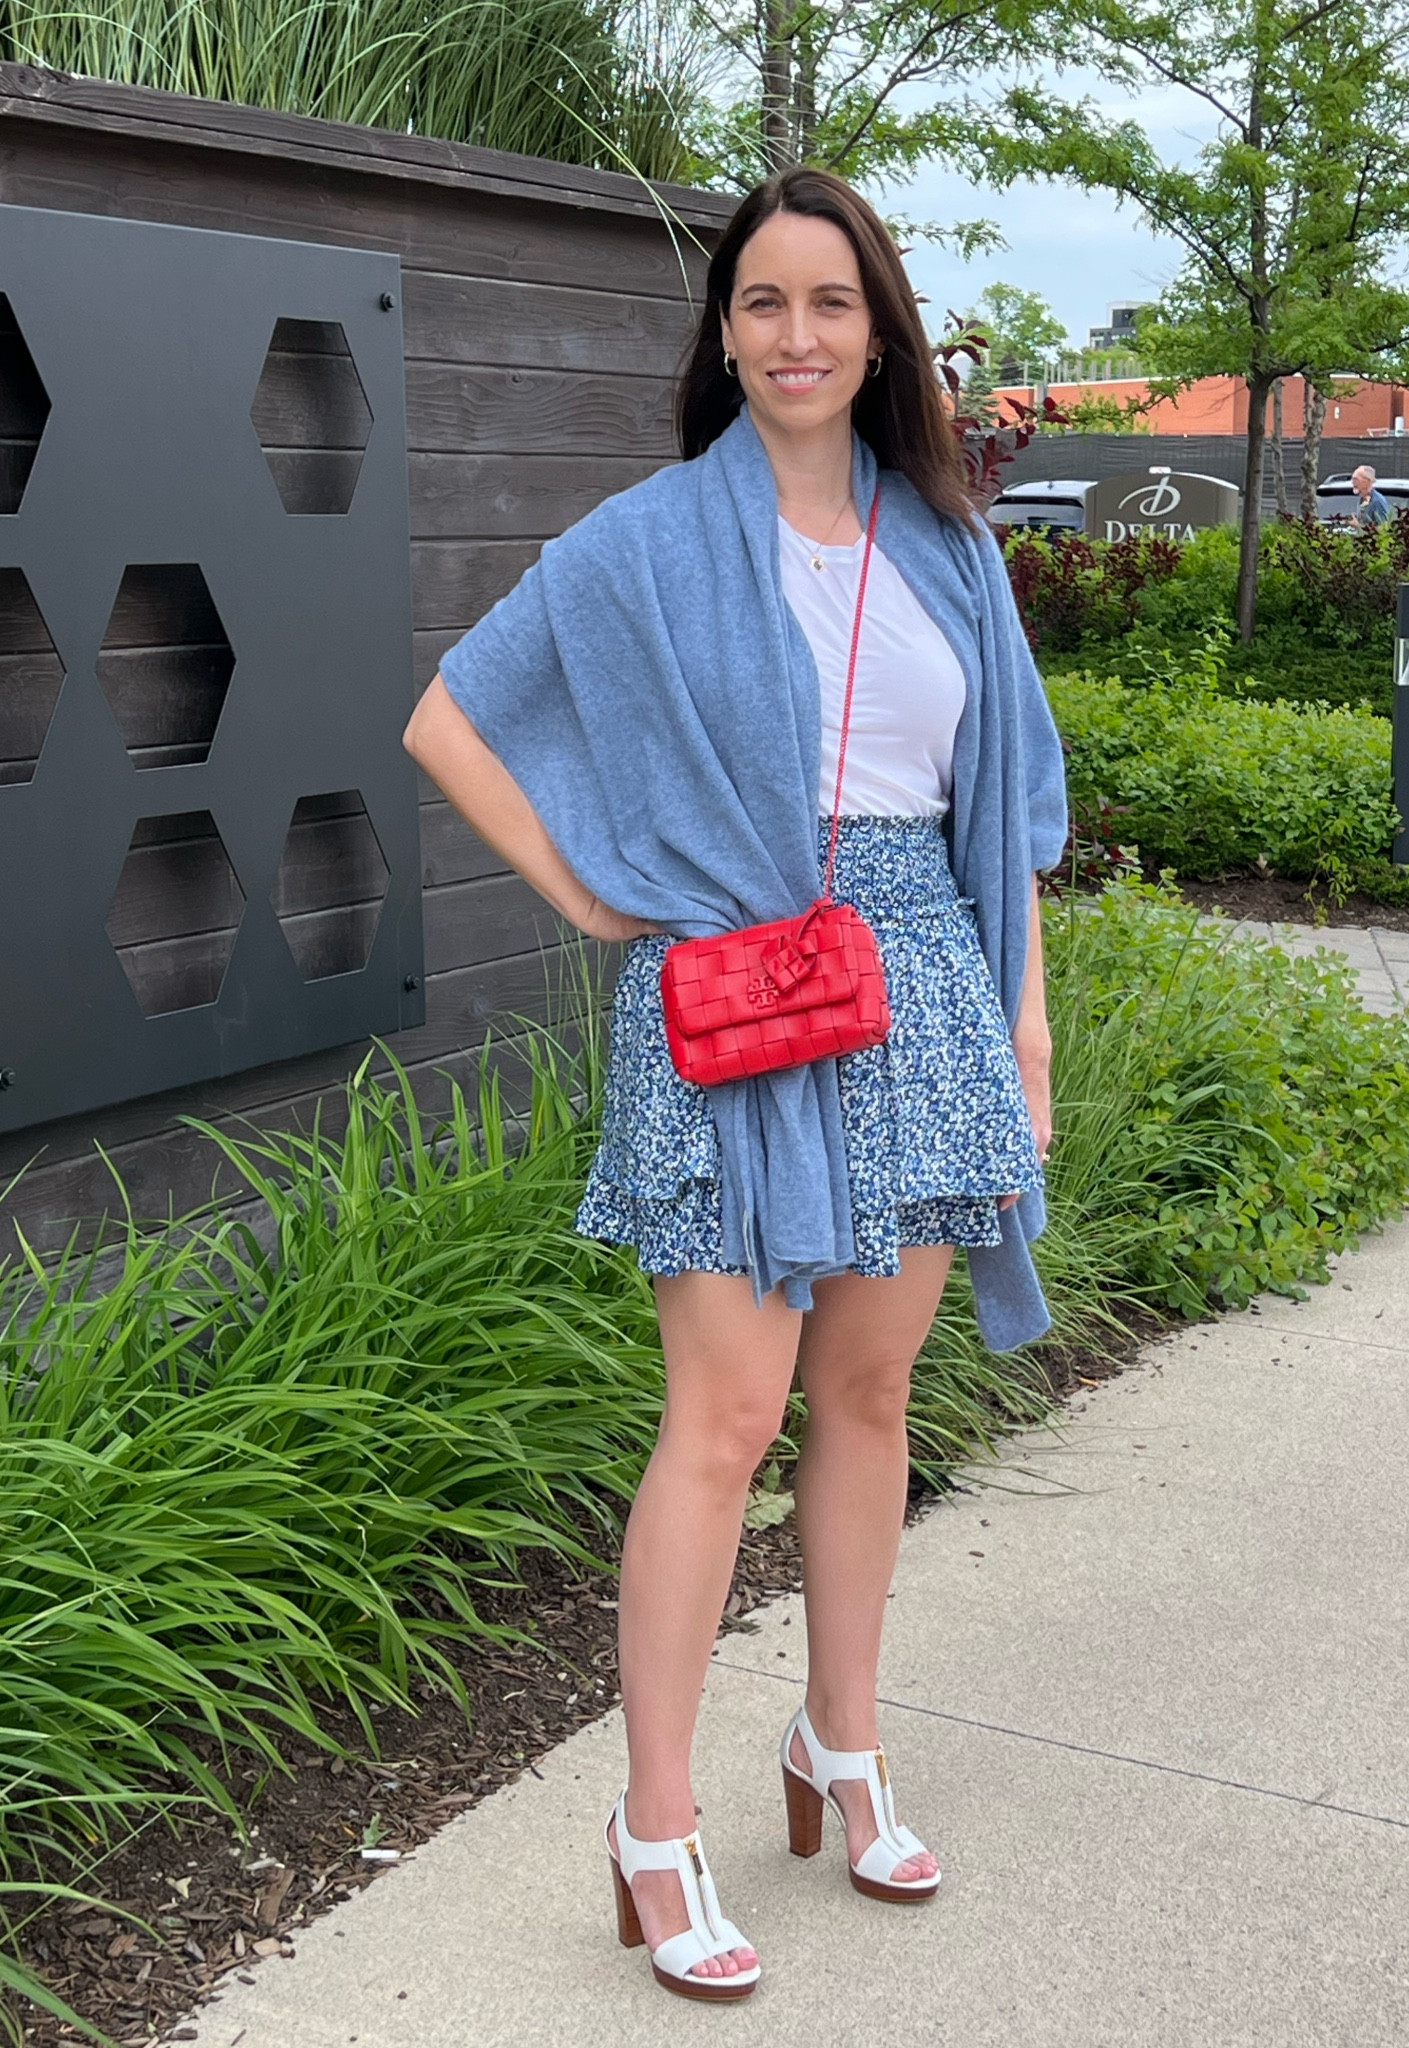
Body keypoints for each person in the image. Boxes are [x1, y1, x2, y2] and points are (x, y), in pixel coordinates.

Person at [402, 166, 1066, 2002]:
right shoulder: (650, 540)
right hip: (734, 1005)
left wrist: (1024, 1035)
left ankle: (840, 1750)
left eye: (830, 304)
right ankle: (656, 1821)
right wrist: (591, 893)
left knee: (869, 1397)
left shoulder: (949, 546)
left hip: (926, 985)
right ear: (723, 334)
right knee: (725, 1414)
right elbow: (448, 715)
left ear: (881, 333)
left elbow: (999, 812)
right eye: (762, 304)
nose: (796, 336)